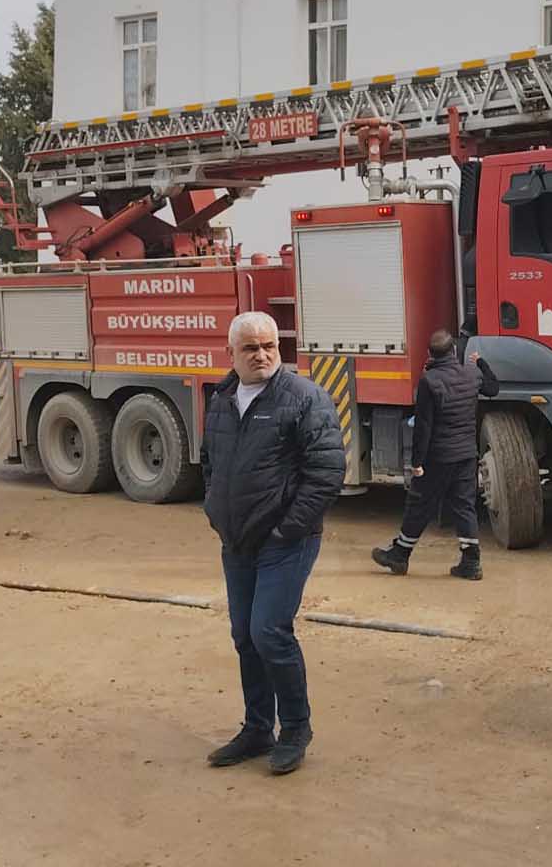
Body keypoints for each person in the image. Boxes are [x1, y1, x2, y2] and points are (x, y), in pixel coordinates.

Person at [201, 312, 344, 777]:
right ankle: (258, 728)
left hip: (286, 541)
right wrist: (216, 512)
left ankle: (296, 729)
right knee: (244, 635)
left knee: (269, 631)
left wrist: (288, 528)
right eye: (250, 349)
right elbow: (211, 462)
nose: (261, 355)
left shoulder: (304, 398)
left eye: (269, 346)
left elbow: (326, 473)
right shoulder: (222, 399)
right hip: (237, 541)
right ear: (232, 355)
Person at [372, 331, 499, 579]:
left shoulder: (429, 382)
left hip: (438, 457)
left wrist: (417, 463)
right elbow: (493, 388)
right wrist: (481, 362)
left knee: (419, 505)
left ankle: (399, 555)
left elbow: (423, 427)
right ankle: (471, 563)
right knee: (464, 505)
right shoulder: (472, 374)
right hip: (466, 455)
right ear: (454, 352)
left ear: (431, 354)